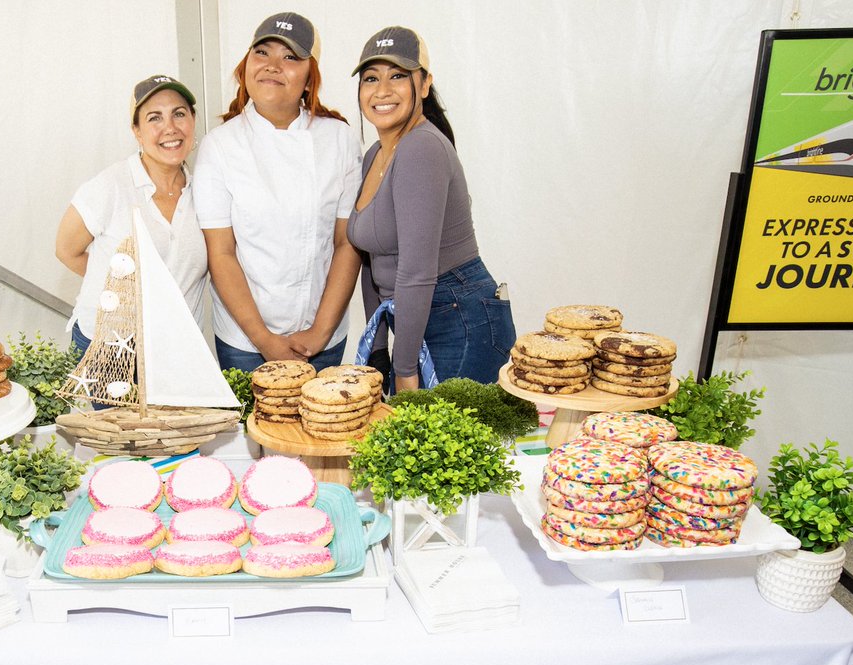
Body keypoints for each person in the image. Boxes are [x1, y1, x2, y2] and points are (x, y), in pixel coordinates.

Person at [348, 27, 516, 392]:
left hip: (457, 317)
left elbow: (418, 269)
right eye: (371, 78)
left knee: (451, 447)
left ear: (424, 84)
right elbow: (372, 260)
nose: (382, 90)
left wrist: (405, 368)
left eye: (398, 76)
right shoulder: (375, 156)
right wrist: (378, 348)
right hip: (415, 318)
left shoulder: (421, 149)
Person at [192, 12, 362, 373]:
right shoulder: (219, 146)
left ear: (309, 77)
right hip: (246, 342)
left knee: (326, 427)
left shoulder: (340, 139)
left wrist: (320, 332)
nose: (272, 66)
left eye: (289, 57)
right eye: (262, 53)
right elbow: (221, 253)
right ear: (245, 66)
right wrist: (265, 341)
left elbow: (347, 243)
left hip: (324, 338)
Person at [55, 74, 207, 357]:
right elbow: (67, 251)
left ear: (193, 120)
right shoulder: (109, 186)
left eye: (179, 114)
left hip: (177, 351)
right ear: (136, 131)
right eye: (154, 118)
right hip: (107, 348)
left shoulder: (206, 192)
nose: (170, 128)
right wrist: (123, 288)